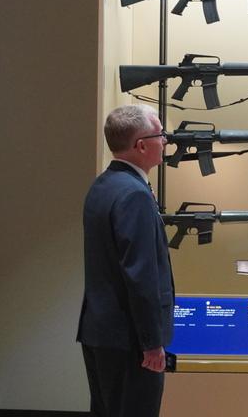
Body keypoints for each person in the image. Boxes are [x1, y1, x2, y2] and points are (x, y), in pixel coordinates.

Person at [77, 104, 174, 417]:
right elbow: (141, 276)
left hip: (101, 332)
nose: (166, 141)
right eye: (160, 135)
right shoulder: (134, 195)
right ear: (142, 145)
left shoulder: (102, 186)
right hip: (130, 340)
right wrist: (151, 343)